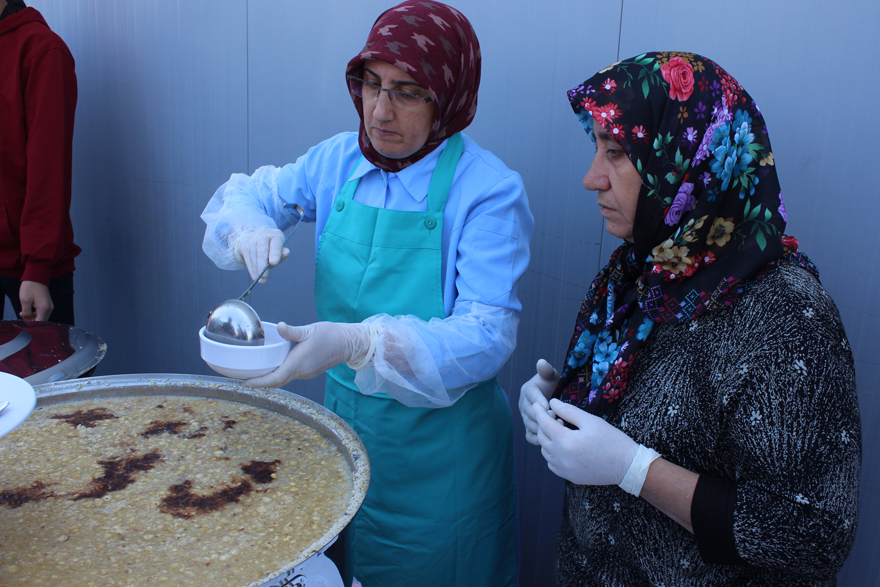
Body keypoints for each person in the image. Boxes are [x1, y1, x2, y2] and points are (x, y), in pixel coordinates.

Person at [202, 2, 532, 585]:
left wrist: (362, 343)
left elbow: (486, 335)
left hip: (442, 463)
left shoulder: (488, 192)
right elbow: (249, 194)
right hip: (343, 438)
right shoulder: (338, 160)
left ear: (448, 98)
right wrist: (249, 228)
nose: (380, 110)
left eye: (407, 93)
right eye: (372, 84)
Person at [519, 52, 860, 586]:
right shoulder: (638, 271)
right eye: (596, 148)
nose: (591, 178)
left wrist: (636, 470)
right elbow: (646, 408)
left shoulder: (786, 315)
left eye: (616, 153)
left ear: (689, 161)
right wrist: (561, 405)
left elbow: (814, 533)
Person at [0, 0, 80, 325]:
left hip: (29, 267)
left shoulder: (42, 50)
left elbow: (48, 167)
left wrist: (38, 267)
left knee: (50, 359)